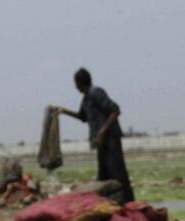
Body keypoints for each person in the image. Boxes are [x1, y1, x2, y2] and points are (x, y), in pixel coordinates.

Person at [57, 68, 134, 203]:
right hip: (101, 141)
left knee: (117, 172)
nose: (75, 87)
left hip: (110, 139)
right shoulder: (86, 98)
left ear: (80, 82)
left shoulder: (95, 93)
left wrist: (102, 132)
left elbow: (115, 110)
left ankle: (128, 202)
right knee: (103, 173)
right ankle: (112, 202)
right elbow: (82, 117)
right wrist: (64, 111)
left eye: (76, 83)